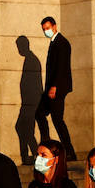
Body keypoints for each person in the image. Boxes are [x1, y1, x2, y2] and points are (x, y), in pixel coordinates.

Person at [35, 16, 76, 160]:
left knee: (57, 119)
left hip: (57, 88)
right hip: (51, 88)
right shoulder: (54, 43)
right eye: (44, 29)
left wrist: (54, 86)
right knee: (40, 114)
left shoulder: (61, 43)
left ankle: (69, 152)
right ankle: (46, 144)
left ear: (54, 26)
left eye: (47, 28)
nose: (46, 31)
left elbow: (61, 67)